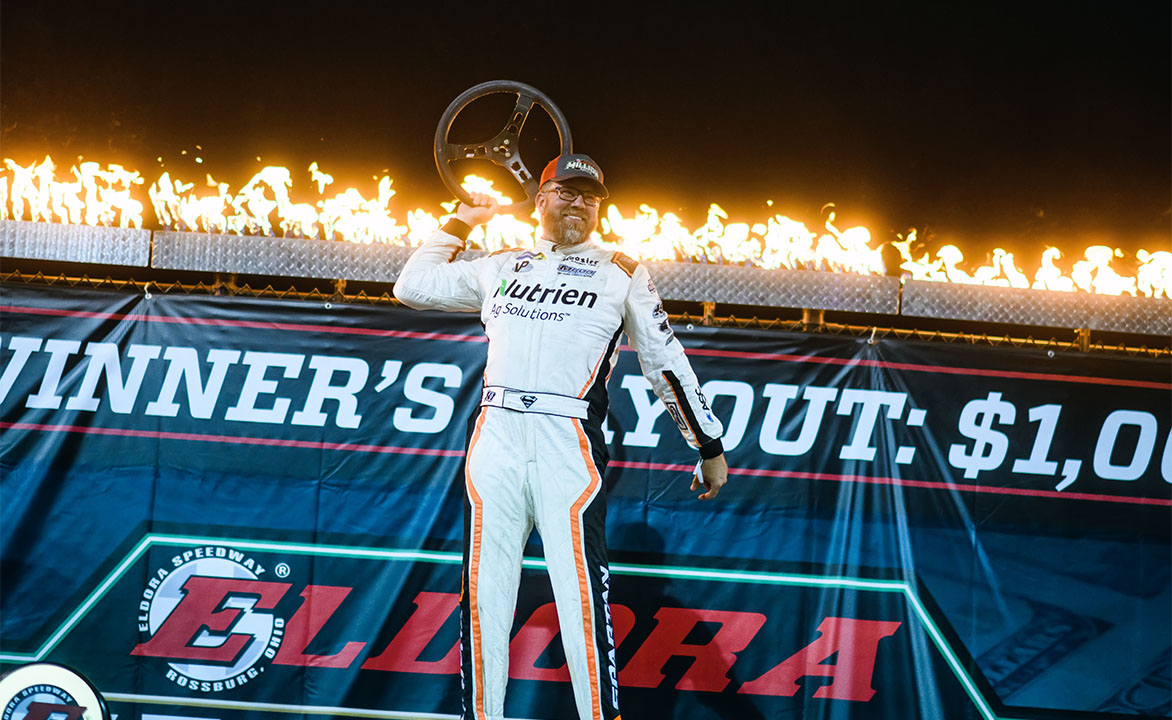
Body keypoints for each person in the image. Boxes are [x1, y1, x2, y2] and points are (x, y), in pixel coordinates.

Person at [394, 153, 728, 720]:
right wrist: (463, 221)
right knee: (485, 597)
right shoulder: (501, 264)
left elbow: (663, 361)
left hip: (566, 440)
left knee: (580, 600)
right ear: (542, 197)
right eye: (567, 193)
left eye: (590, 196)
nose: (578, 204)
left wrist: (707, 445)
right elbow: (411, 286)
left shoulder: (621, 269)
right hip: (495, 436)